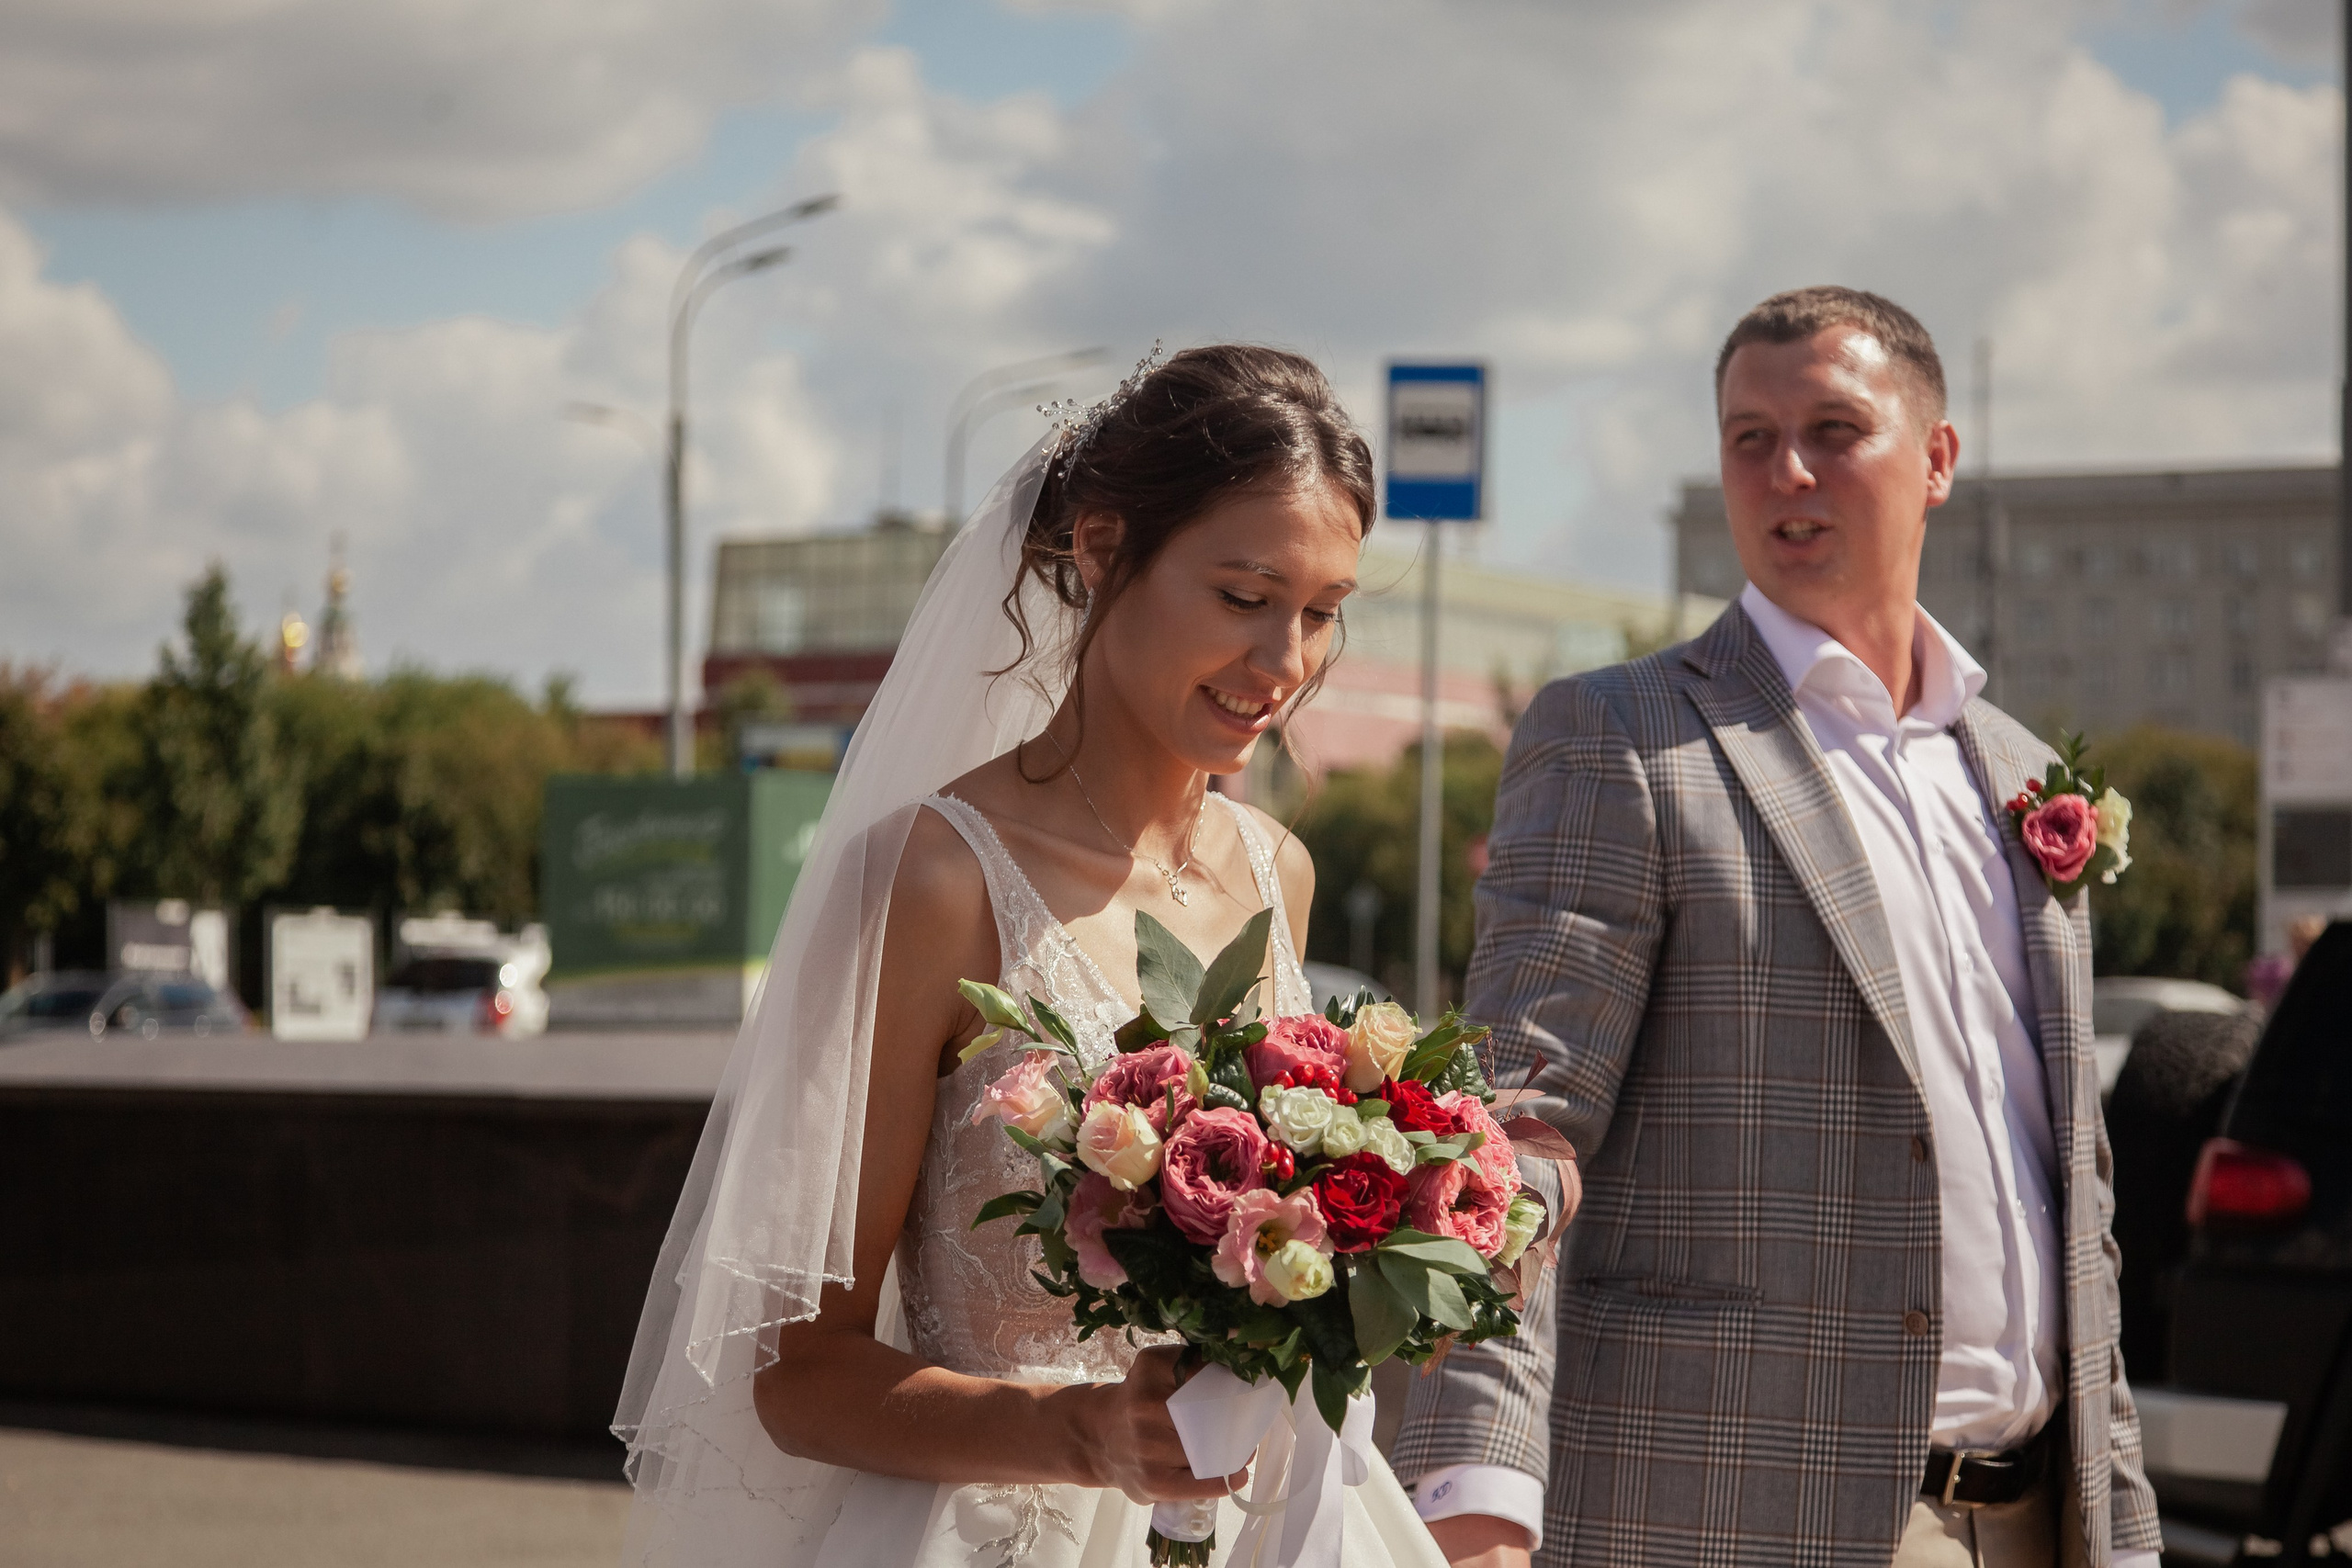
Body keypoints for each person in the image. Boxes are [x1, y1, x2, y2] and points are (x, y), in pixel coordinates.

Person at [613, 344, 1450, 1566]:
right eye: (1242, 597)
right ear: (1103, 551)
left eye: (1321, 615)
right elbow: (797, 1378)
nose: (1285, 666)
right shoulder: (939, 876)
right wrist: (1076, 1435)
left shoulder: (1281, 870)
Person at [1393, 288, 2163, 1568]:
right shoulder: (1625, 739)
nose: (1785, 471)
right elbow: (1510, 1128)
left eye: (1832, 428)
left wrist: (2119, 1521)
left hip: (2037, 1514)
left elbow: (2073, 1194)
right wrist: (1477, 1490)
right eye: (1748, 437)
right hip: (1739, 1514)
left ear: (1937, 462)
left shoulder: (2024, 777)